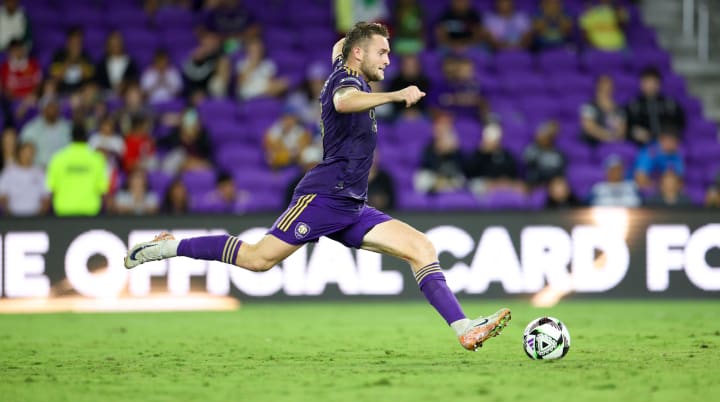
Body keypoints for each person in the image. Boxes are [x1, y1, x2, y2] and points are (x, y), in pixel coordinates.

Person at [125, 22, 511, 351]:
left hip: (352, 205)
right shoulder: (345, 82)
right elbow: (343, 103)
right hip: (324, 196)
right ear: (359, 54)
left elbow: (340, 48)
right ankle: (167, 246)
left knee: (420, 247)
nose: (388, 60)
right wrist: (396, 94)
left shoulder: (346, 68)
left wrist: (354, 43)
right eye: (382, 52)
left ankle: (464, 329)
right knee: (259, 259)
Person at [46, 124, 109, 216]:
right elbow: (102, 189)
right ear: (87, 138)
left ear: (71, 137)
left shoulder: (58, 158)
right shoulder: (97, 159)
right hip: (90, 210)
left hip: (64, 210)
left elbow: (52, 188)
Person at [626, 67, 686, 146]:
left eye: (654, 82)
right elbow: (627, 128)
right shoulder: (633, 105)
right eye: (647, 82)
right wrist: (635, 133)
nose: (650, 85)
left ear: (659, 84)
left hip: (667, 144)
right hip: (642, 146)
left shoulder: (670, 104)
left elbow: (680, 123)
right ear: (641, 84)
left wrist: (669, 134)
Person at [19, 96, 72, 167]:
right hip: (38, 170)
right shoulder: (31, 128)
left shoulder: (68, 127)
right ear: (42, 109)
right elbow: (24, 151)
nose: (51, 110)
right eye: (49, 107)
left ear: (58, 109)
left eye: (54, 106)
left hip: (63, 169)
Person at [0, 142, 50, 216]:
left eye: (31, 152)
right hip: (13, 217)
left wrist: (40, 214)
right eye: (26, 152)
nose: (28, 155)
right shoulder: (8, 172)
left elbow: (46, 197)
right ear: (20, 153)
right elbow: (2, 195)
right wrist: (9, 213)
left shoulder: (40, 172)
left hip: (36, 218)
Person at [580, 75, 626, 145]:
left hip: (612, 144)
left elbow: (622, 131)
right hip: (592, 144)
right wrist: (608, 137)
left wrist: (614, 138)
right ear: (598, 86)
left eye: (609, 85)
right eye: (603, 84)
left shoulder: (619, 109)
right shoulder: (589, 106)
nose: (606, 88)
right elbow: (589, 127)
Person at [49, 27, 95, 95]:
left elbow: (89, 77)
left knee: (91, 89)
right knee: (49, 85)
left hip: (81, 92)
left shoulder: (86, 57)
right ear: (68, 42)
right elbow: (55, 77)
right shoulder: (59, 56)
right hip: (62, 90)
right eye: (73, 42)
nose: (76, 45)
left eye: (78, 42)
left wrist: (78, 59)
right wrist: (69, 60)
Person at [95, 30, 139, 95]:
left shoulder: (130, 62)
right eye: (112, 43)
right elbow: (98, 82)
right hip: (105, 95)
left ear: (122, 44)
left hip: (126, 95)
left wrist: (125, 84)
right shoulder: (101, 64)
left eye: (117, 43)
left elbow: (135, 79)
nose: (115, 46)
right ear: (108, 45)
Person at [523, 120, 567, 187]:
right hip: (535, 184)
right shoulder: (531, 150)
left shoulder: (558, 153)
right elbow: (527, 165)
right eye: (542, 134)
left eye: (548, 135)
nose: (545, 137)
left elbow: (562, 172)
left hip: (554, 186)